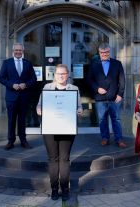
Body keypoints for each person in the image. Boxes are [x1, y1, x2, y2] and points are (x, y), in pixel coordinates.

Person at [36, 64, 83, 201]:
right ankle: (55, 190)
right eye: (58, 74)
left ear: (68, 75)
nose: (61, 76)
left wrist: (80, 111)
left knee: (64, 159)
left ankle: (65, 190)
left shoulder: (74, 89)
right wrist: (39, 110)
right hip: (50, 128)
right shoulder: (47, 88)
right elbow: (39, 105)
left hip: (67, 128)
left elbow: (79, 106)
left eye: (63, 73)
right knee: (52, 159)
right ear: (54, 75)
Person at [0, 43, 37, 150]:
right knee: (11, 120)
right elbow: (1, 78)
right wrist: (12, 85)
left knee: (22, 120)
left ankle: (23, 141)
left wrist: (26, 84)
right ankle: (11, 141)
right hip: (11, 97)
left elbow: (34, 79)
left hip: (24, 97)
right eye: (16, 50)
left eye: (20, 50)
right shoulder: (7, 63)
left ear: (23, 51)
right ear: (13, 51)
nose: (18, 52)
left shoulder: (27, 63)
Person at [87, 43, 126, 148]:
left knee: (116, 119)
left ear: (109, 52)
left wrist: (120, 94)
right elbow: (89, 80)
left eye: (106, 52)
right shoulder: (94, 64)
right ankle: (105, 138)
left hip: (115, 98)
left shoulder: (117, 63)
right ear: (99, 52)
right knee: (102, 119)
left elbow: (122, 80)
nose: (104, 54)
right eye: (102, 52)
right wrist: (97, 88)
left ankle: (119, 139)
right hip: (100, 98)